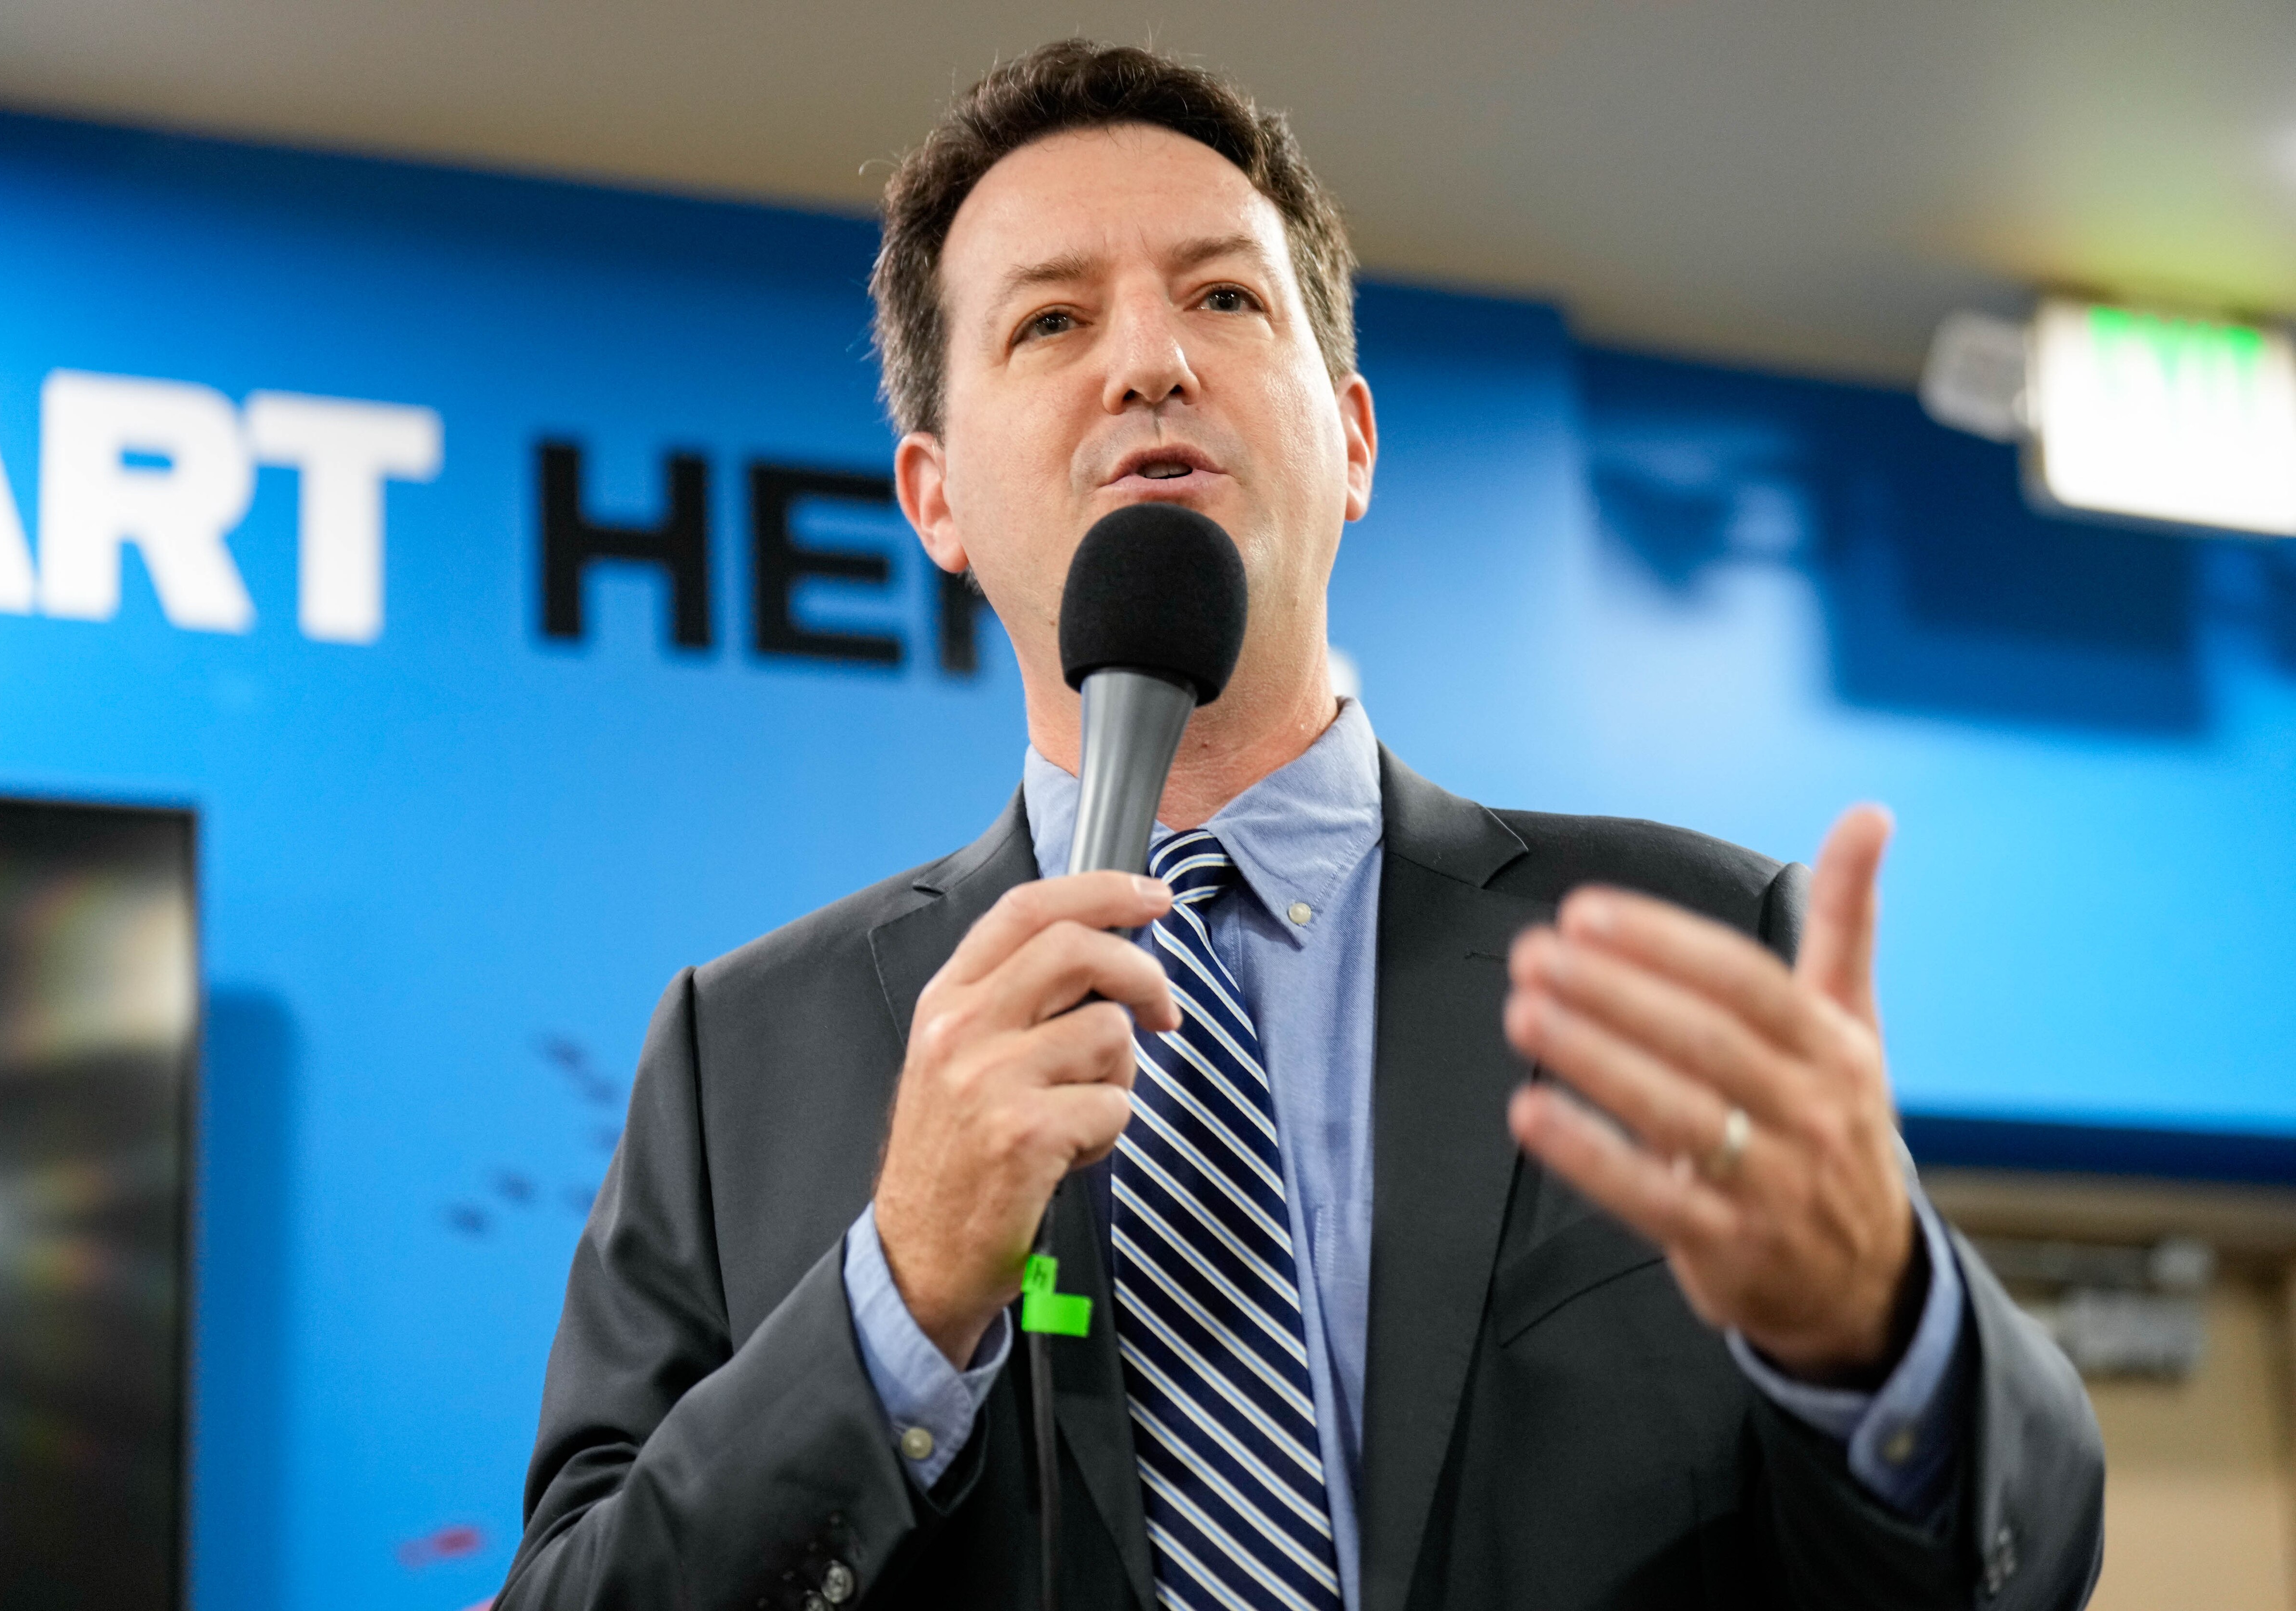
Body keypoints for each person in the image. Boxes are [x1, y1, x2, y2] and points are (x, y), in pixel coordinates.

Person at [499, 40, 2102, 1611]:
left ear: (1351, 443)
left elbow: (2006, 1561)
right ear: (934, 502)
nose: (1151, 362)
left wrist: (1884, 1339)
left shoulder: (1692, 939)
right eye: (1052, 320)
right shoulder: (741, 1060)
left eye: (1223, 297)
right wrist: (895, 1298)